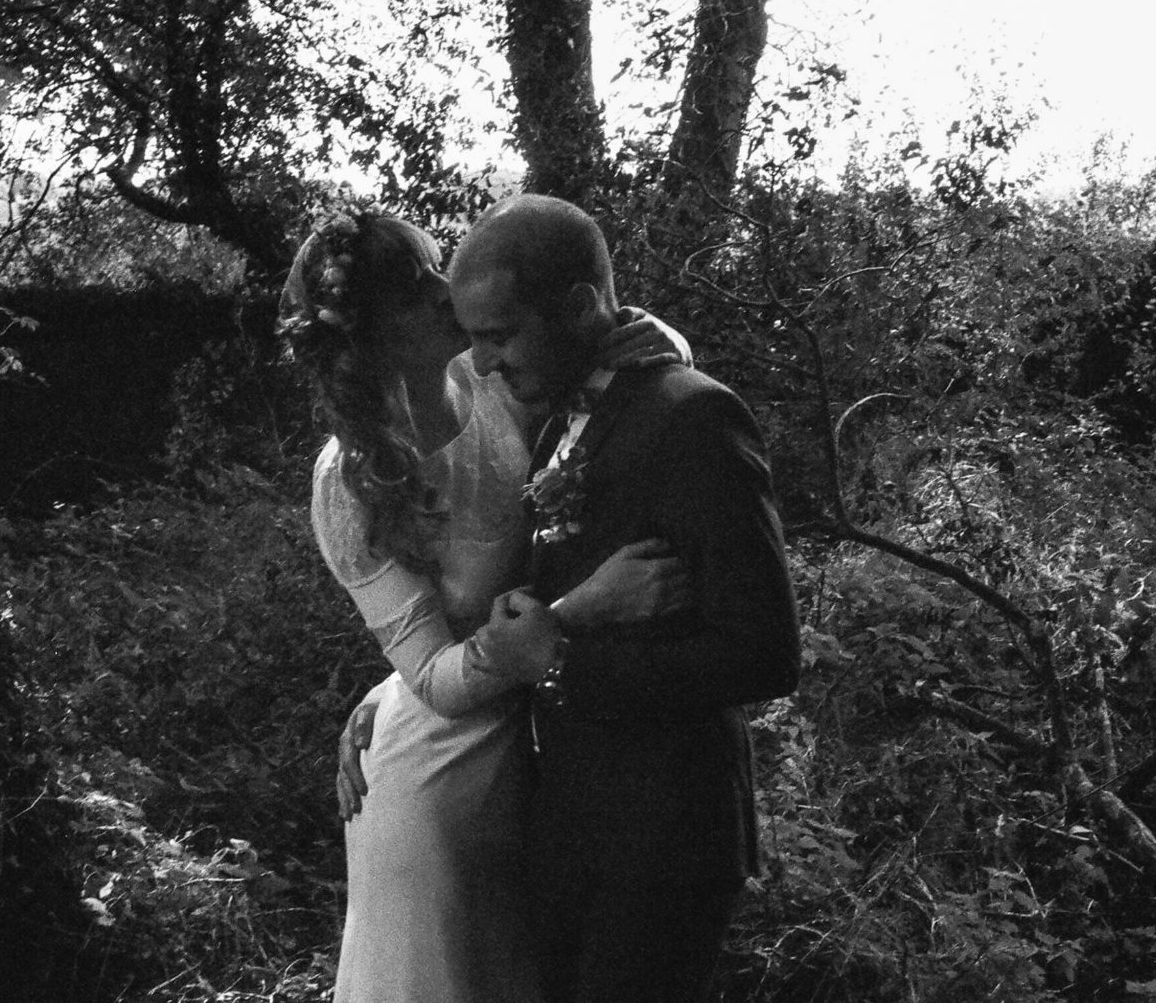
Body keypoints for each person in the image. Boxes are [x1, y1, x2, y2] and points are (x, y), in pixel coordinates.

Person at [279, 209, 691, 1003]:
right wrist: (577, 611)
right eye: (413, 287)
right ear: (367, 334)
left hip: (540, 760)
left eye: (435, 263)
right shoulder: (349, 482)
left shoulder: (491, 378)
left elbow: (617, 378)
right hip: (435, 790)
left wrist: (661, 339)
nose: (444, 288)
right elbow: (435, 673)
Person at [455, 193, 803, 1003]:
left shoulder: (694, 417)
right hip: (570, 827)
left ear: (579, 308)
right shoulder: (560, 419)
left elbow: (765, 651)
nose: (482, 363)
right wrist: (396, 701)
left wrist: (562, 661)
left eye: (500, 335)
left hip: (665, 839)